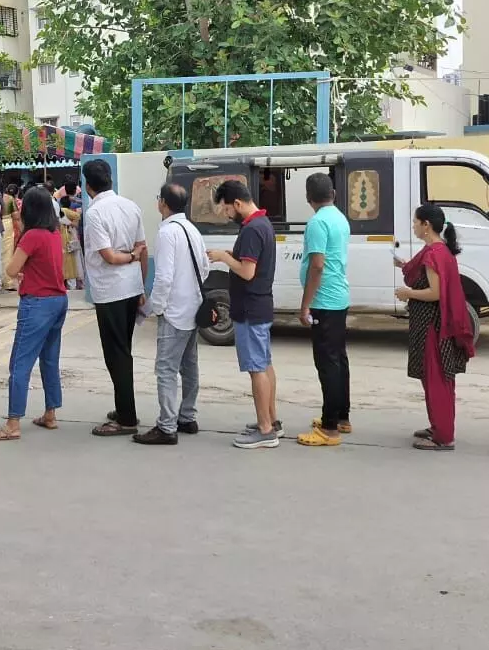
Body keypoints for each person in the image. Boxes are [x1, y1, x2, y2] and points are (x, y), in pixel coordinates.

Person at [0, 186, 68, 442]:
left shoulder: (31, 236)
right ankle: (51, 413)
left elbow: (10, 269)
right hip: (58, 300)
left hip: (37, 303)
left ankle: (13, 422)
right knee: (49, 360)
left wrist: (20, 270)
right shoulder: (53, 233)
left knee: (20, 363)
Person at [133, 184, 209, 445]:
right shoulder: (192, 230)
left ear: (163, 203)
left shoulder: (167, 233)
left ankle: (166, 427)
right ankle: (187, 416)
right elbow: (205, 268)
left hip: (174, 312)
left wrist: (156, 307)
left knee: (165, 369)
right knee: (189, 367)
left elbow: (163, 277)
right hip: (193, 308)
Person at [208, 178, 280, 450]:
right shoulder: (263, 223)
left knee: (256, 368)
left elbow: (248, 272)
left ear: (236, 203)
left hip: (250, 307)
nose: (227, 215)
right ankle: (271, 421)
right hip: (260, 304)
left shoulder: (251, 229)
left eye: (227, 209)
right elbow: (250, 262)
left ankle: (265, 430)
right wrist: (230, 254)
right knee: (265, 364)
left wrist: (224, 258)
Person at [396, 205, 474, 451]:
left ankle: (443, 436)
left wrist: (408, 293)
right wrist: (404, 266)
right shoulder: (439, 250)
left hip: (432, 326)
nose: (413, 225)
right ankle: (438, 425)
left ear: (426, 224)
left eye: (415, 221)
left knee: (436, 380)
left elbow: (435, 292)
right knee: (438, 379)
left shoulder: (433, 254)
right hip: (435, 324)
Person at [82, 158, 149, 437]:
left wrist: (129, 257)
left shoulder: (95, 213)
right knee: (122, 350)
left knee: (116, 354)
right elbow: (142, 248)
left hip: (110, 291)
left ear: (88, 186)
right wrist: (141, 286)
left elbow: (108, 256)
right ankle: (124, 406)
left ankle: (126, 417)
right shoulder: (130, 206)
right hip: (131, 287)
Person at [295, 173, 353, 447]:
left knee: (327, 364)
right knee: (339, 360)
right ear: (334, 194)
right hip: (338, 297)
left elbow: (317, 265)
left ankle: (330, 428)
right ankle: (342, 416)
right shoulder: (340, 218)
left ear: (309, 198)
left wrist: (305, 304)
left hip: (323, 301)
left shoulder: (317, 223)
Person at [0, 183, 20, 291]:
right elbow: (16, 216)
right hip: (7, 224)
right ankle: (8, 282)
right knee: (7, 253)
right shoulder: (9, 199)